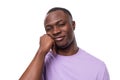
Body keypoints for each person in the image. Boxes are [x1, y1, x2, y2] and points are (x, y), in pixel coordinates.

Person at [19, 7, 110, 80]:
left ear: (73, 25)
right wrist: (41, 51)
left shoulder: (98, 66)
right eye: (49, 28)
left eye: (61, 24)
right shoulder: (42, 61)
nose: (55, 31)